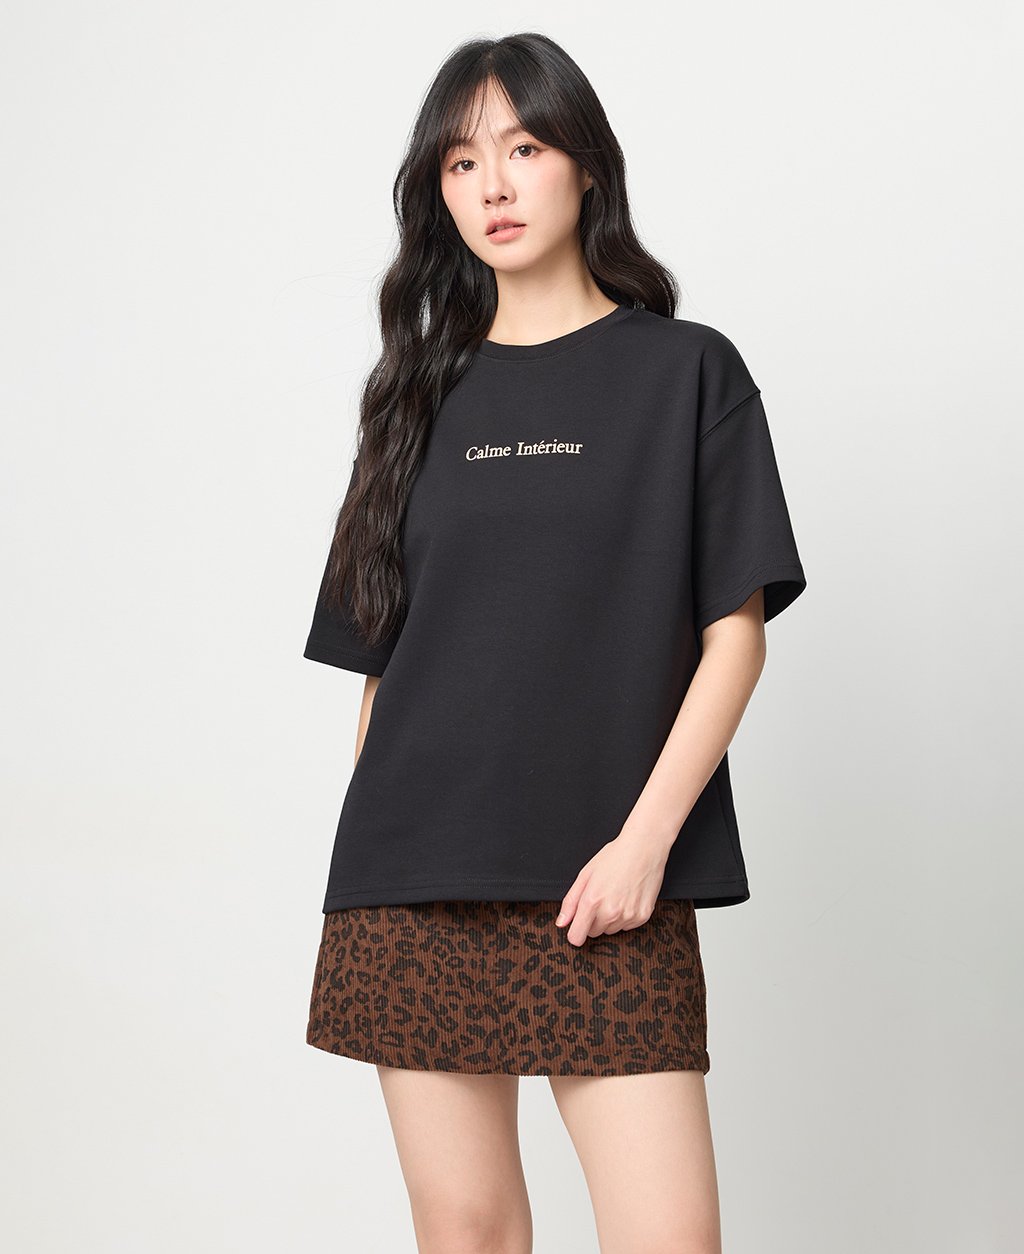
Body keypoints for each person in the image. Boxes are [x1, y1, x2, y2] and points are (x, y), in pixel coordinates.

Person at [301, 31, 806, 1254]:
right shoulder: (411, 397)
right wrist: (383, 853)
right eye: (461, 161)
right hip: (417, 877)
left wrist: (644, 845)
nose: (493, 184)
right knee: (467, 1233)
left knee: (666, 1237)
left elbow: (732, 640)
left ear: (585, 165)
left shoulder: (687, 374)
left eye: (523, 148)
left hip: (611, 877)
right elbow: (382, 666)